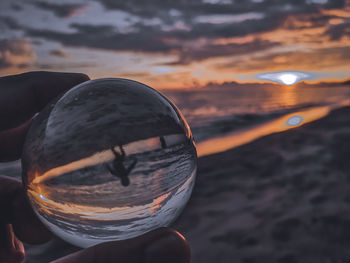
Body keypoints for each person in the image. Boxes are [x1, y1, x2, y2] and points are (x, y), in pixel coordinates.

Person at [0, 71, 191, 263]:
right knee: (119, 154)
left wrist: (119, 163)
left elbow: (120, 168)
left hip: (119, 163)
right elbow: (123, 167)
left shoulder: (122, 173)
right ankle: (116, 147)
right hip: (119, 163)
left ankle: (116, 147)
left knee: (119, 154)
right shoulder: (123, 173)